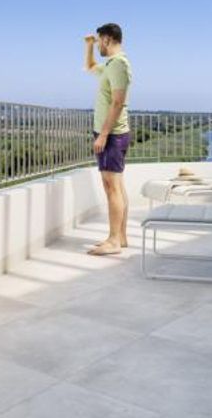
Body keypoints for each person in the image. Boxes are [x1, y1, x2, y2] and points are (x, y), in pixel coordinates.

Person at [84, 23, 132, 255]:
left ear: (108, 39)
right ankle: (120, 237)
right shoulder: (111, 65)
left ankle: (113, 241)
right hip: (110, 133)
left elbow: (118, 102)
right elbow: (90, 66)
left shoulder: (119, 65)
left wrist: (103, 134)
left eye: (99, 41)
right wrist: (88, 46)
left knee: (111, 186)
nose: (98, 45)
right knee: (117, 186)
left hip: (112, 135)